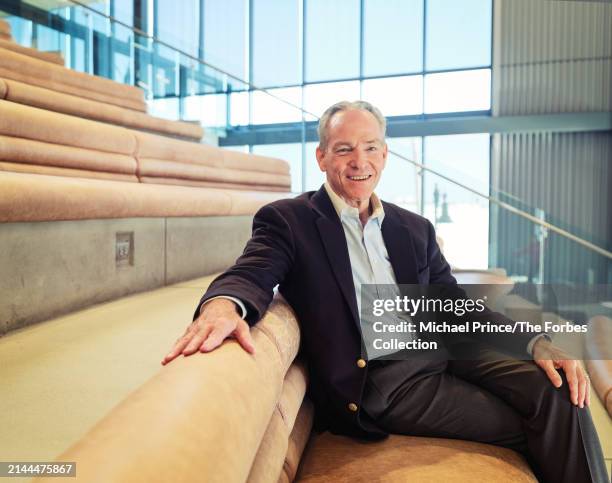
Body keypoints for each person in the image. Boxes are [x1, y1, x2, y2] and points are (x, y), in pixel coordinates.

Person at [162, 101, 607, 483]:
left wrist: (533, 341)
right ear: (320, 157)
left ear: (385, 154)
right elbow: (251, 271)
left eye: (370, 147)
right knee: (551, 418)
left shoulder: (413, 227)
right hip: (384, 381)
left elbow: (451, 305)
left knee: (558, 384)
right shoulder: (289, 221)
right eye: (344, 149)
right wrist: (222, 307)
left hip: (446, 349)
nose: (360, 161)